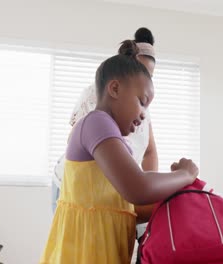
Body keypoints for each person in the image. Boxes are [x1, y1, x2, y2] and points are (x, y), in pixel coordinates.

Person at [40, 46, 199, 264]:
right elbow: (138, 188)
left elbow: (125, 205)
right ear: (114, 89)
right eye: (142, 102)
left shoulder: (118, 144)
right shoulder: (97, 122)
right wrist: (186, 174)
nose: (144, 114)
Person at [52, 28, 158, 223]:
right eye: (141, 71)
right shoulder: (96, 118)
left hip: (118, 190)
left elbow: (149, 152)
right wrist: (184, 175)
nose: (146, 79)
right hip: (84, 190)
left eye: (150, 75)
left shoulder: (141, 110)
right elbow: (136, 186)